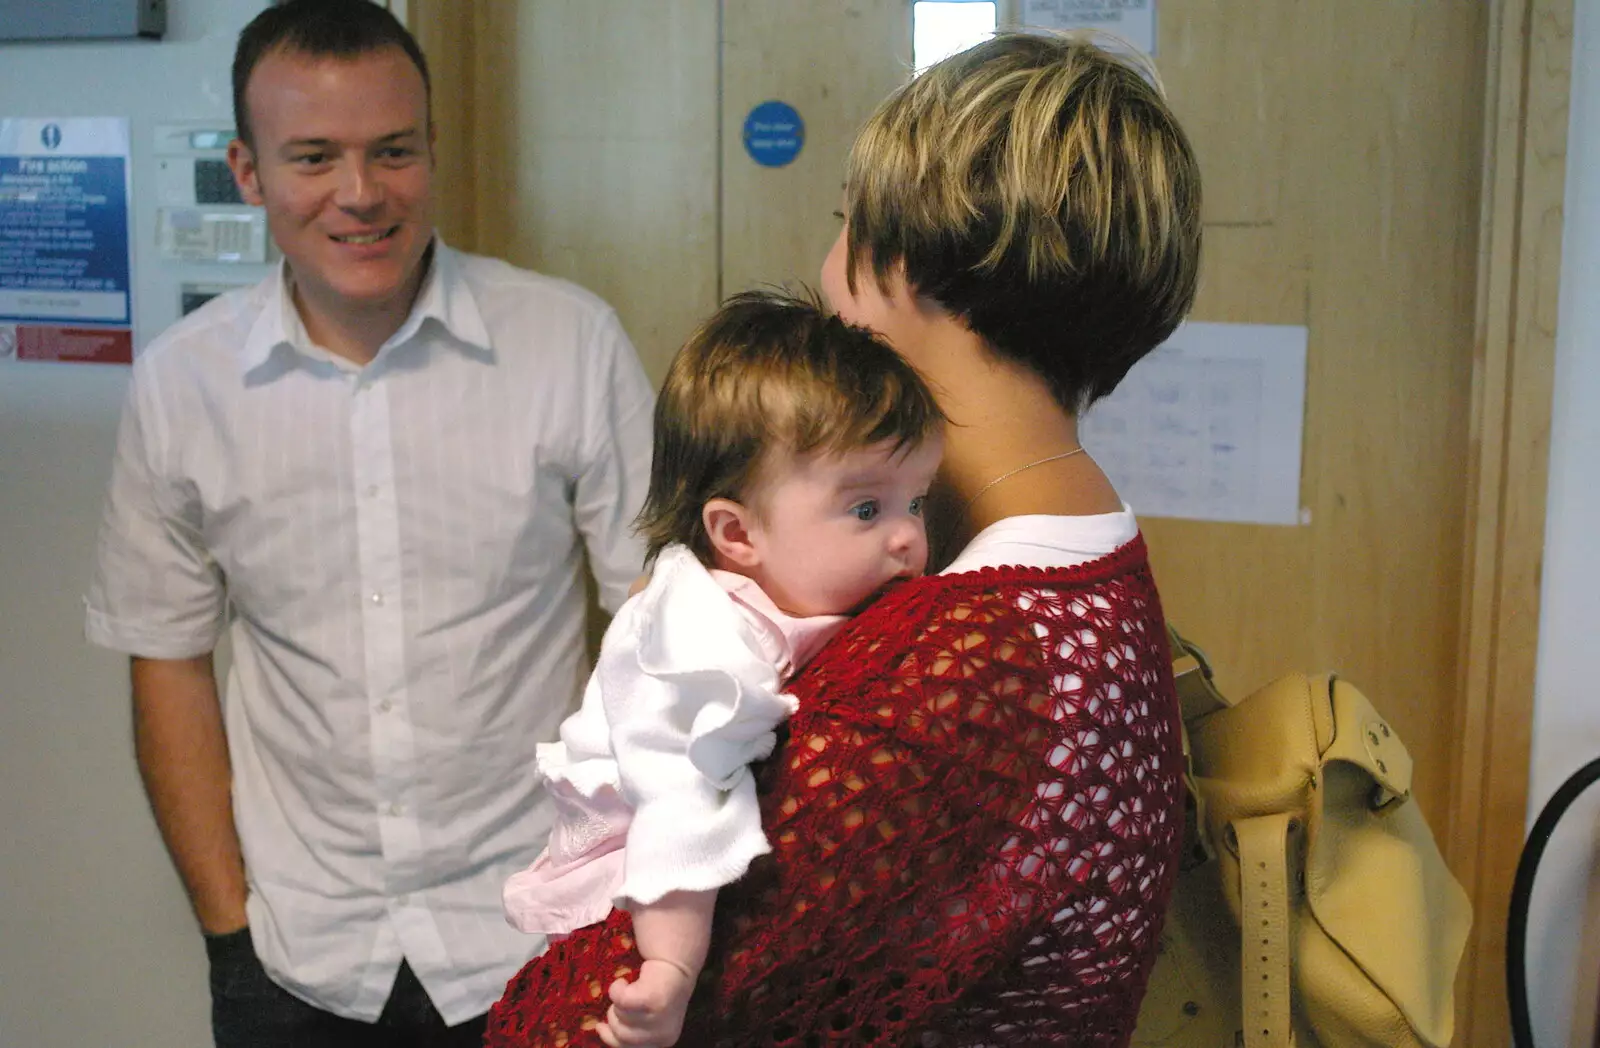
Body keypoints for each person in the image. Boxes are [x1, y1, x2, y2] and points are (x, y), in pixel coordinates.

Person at [486, 29, 1202, 1048]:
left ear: (913, 261)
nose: (826, 278)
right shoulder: (1092, 564)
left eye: (844, 228)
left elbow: (579, 1020)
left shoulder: (958, 661)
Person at [82, 1, 655, 1045]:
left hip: (534, 936)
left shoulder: (569, 343)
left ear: (431, 151)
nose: (360, 194)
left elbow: (656, 625)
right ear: (248, 174)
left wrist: (638, 893)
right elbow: (164, 657)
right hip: (298, 956)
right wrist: (227, 934)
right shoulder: (182, 386)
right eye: (312, 157)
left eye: (392, 151)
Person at [500, 290, 944, 1048]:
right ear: (736, 533)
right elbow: (679, 797)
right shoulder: (700, 640)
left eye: (918, 502)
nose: (907, 537)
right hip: (636, 884)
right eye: (868, 509)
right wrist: (669, 969)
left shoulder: (797, 588)